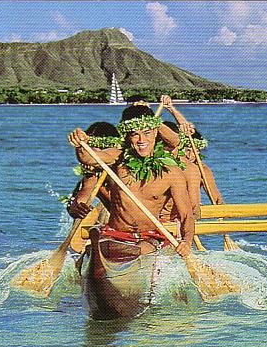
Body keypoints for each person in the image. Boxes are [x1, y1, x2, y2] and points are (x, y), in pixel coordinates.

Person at [67, 103, 194, 257]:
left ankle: (116, 256)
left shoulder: (172, 172)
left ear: (155, 132)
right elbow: (87, 157)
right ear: (127, 136)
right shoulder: (117, 159)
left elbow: (186, 215)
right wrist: (80, 144)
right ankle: (103, 255)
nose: (141, 140)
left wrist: (186, 241)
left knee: (141, 249)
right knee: (104, 246)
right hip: (115, 234)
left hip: (150, 237)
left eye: (147, 133)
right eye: (135, 134)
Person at [66, 121, 121, 219]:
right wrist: (76, 208)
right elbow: (81, 198)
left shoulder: (121, 164)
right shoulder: (92, 175)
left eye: (92, 149)